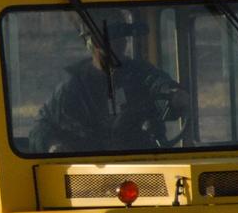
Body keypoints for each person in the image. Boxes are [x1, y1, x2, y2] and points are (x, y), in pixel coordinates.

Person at [29, 23, 189, 154]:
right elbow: (41, 127)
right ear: (92, 44)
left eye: (121, 39)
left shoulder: (141, 73)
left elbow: (160, 87)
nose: (117, 46)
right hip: (89, 171)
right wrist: (51, 145)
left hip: (140, 161)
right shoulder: (73, 86)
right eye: (109, 40)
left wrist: (174, 94)